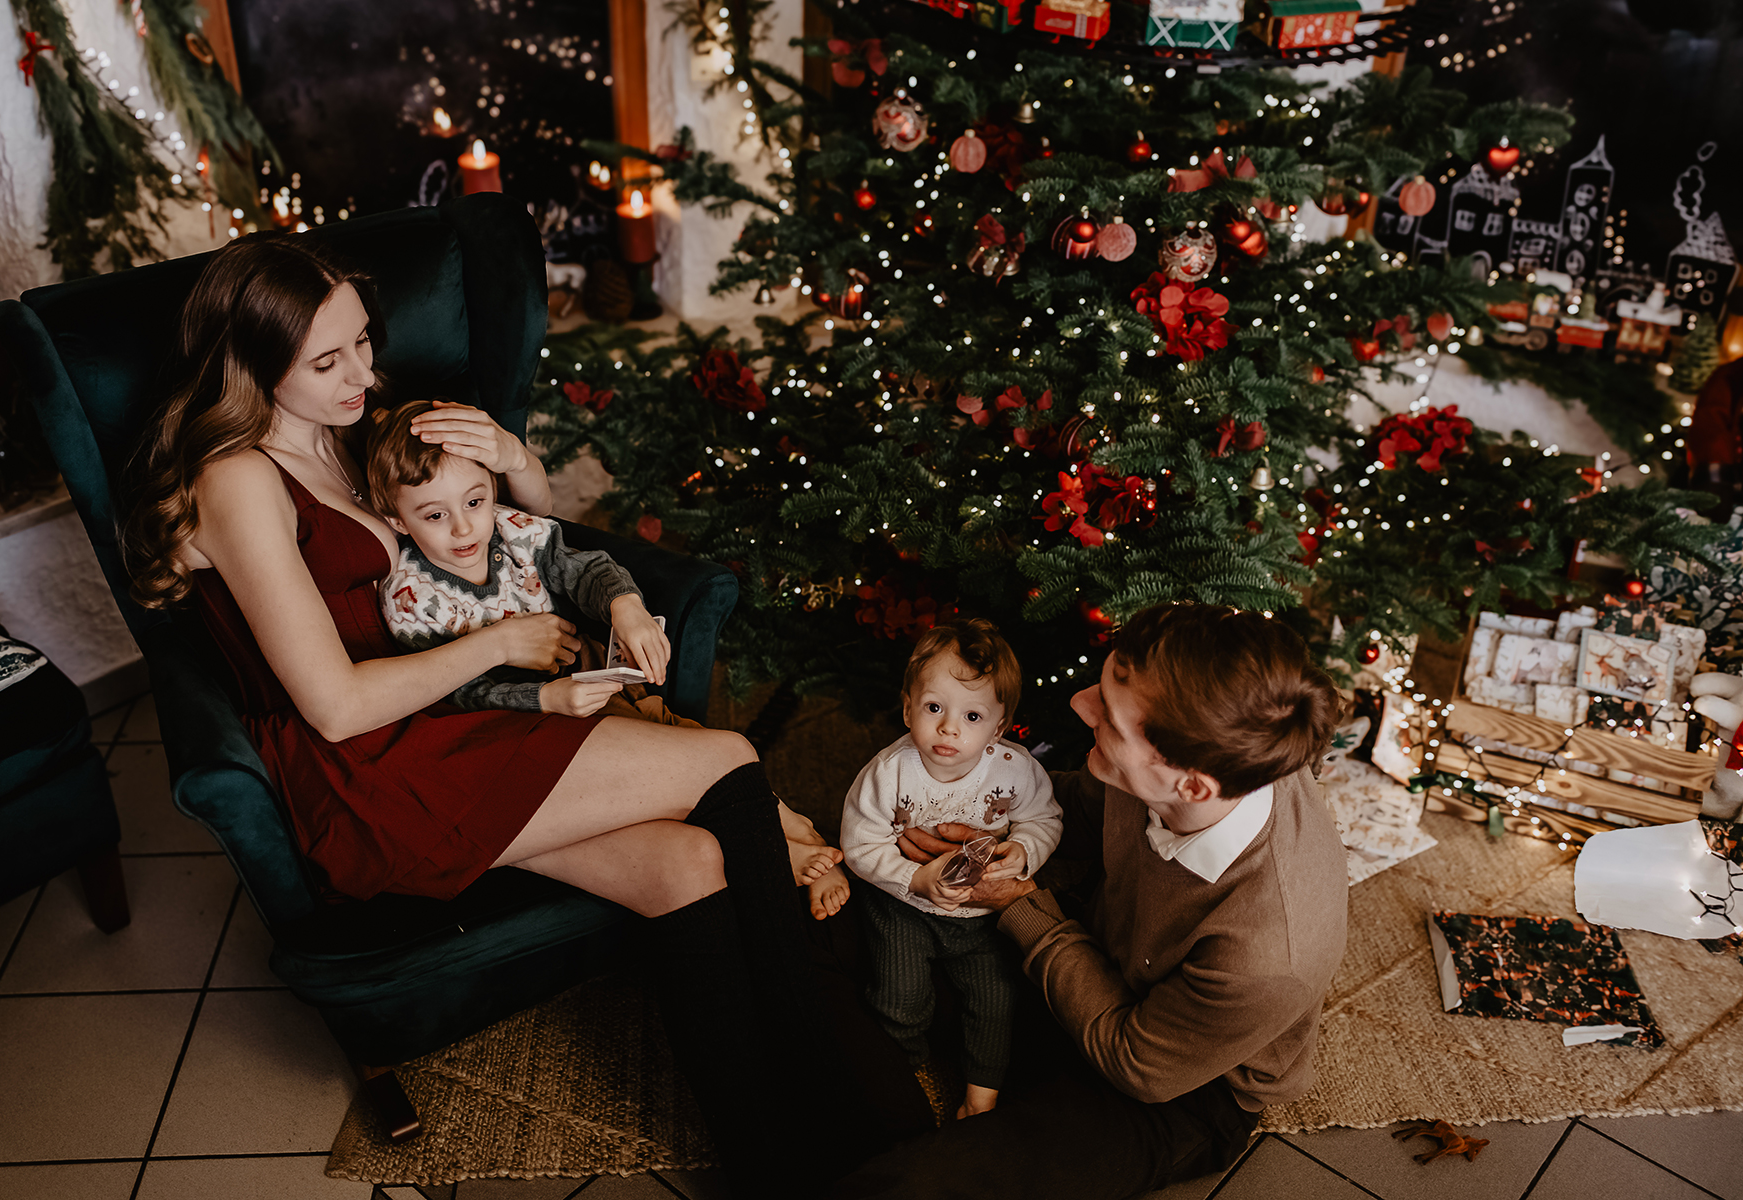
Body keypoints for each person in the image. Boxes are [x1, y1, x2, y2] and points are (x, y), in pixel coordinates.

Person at [119, 232, 858, 1199]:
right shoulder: (240, 479)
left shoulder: (356, 429)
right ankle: (835, 1091)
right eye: (329, 360)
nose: (364, 374)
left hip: (445, 715)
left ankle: (775, 1170)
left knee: (693, 865)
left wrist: (513, 456)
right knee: (722, 758)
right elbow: (336, 708)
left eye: (364, 343)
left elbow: (532, 530)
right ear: (253, 365)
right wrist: (497, 648)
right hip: (370, 768)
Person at [831, 603, 1347, 1199]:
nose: (1080, 704)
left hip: (1176, 1085)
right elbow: (1074, 810)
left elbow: (1137, 1063)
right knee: (844, 903)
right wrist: (996, 833)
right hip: (1097, 942)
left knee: (921, 1186)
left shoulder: (1269, 951)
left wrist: (1021, 906)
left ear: (1190, 786)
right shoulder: (1204, 749)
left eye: (1108, 713)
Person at [364, 397, 846, 895]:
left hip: (589, 678)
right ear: (398, 520)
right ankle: (779, 841)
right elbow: (459, 693)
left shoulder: (514, 532)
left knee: (675, 732)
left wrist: (625, 606)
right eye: (435, 515)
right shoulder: (411, 597)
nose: (464, 528)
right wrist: (544, 699)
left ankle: (782, 815)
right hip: (517, 723)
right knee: (667, 764)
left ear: (491, 489)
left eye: (474, 502)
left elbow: (587, 568)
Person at [840, 620, 1060, 1119]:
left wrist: (1023, 851)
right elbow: (859, 844)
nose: (949, 729)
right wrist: (914, 879)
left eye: (973, 715)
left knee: (997, 996)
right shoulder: (889, 772)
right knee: (898, 993)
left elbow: (1044, 818)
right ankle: (902, 1072)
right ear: (907, 707)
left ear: (999, 728)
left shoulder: (1015, 769)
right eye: (934, 707)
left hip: (981, 916)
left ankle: (982, 1095)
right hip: (903, 906)